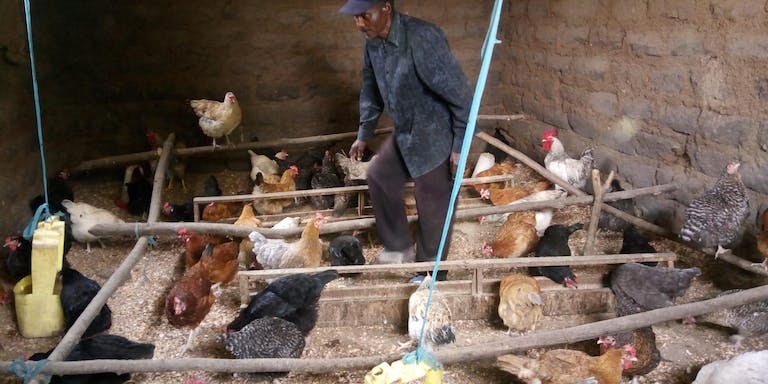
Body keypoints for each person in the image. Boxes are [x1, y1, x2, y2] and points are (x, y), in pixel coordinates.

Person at [339, 0, 473, 281]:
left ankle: (429, 275)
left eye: (365, 15)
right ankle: (398, 247)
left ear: (386, 7)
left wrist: (459, 145)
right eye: (355, 17)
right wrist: (364, 133)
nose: (359, 23)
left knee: (433, 203)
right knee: (379, 176)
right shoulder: (373, 43)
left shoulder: (422, 39)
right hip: (406, 132)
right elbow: (371, 90)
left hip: (436, 133)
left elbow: (461, 96)